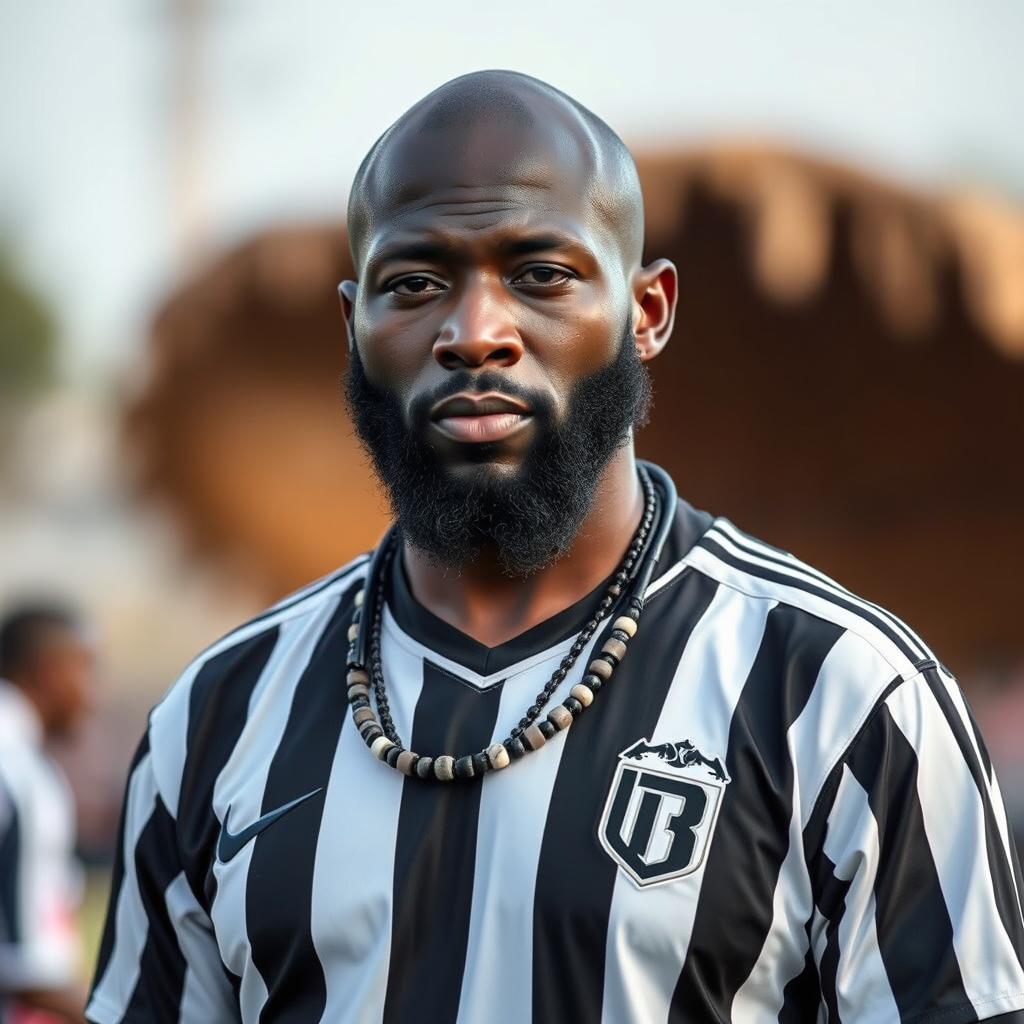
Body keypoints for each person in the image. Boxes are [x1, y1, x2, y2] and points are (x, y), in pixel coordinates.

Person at [86, 71, 1024, 1024]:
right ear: (353, 325)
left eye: (541, 275)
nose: (474, 333)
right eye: (413, 283)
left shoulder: (846, 697)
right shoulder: (215, 719)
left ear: (647, 312)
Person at [0, 603, 93, 1024]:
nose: (93, 696)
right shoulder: (20, 772)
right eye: (85, 668)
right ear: (50, 669)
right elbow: (29, 968)